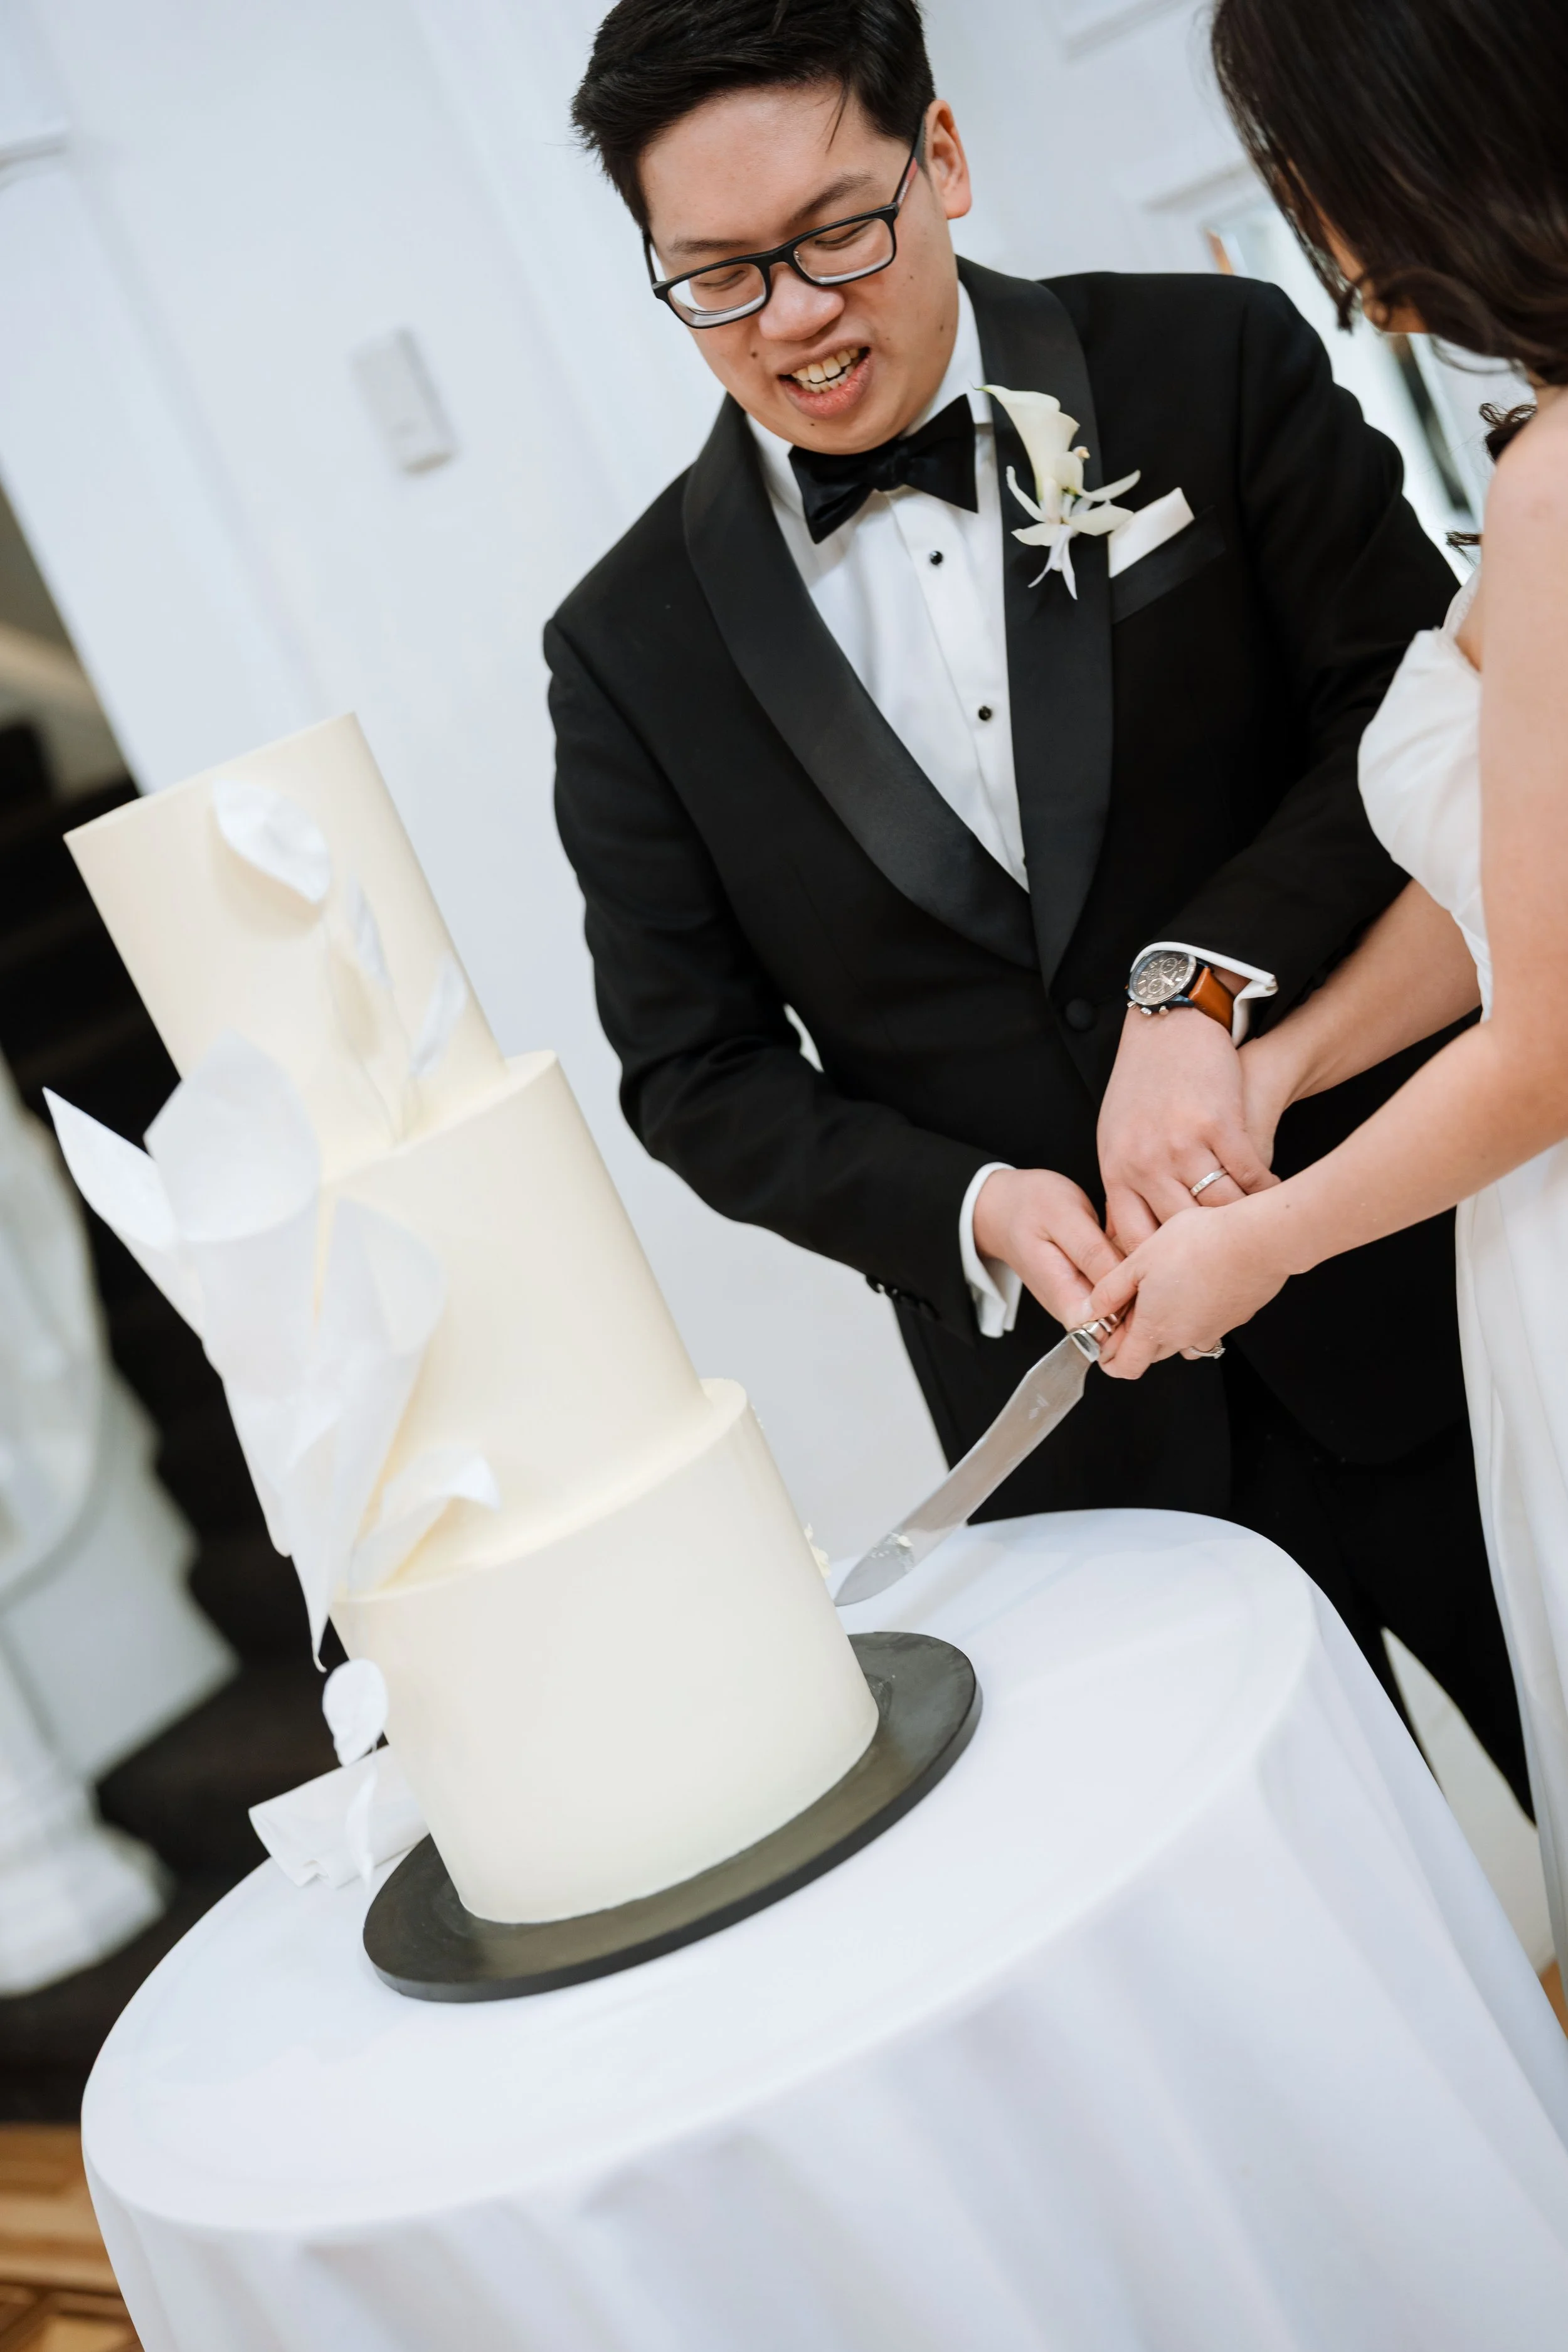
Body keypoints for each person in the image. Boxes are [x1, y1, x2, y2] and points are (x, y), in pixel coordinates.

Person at [548, 0, 1528, 1802]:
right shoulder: (623, 649)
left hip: (1422, 1281)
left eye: (836, 232)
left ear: (939, 157)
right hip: (1102, 1450)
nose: (792, 321)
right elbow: (691, 1071)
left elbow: (1419, 714)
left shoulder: (1208, 364)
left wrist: (1198, 983)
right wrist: (975, 1208)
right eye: (715, 276)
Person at [1086, 0, 1568, 1934]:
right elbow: (1515, 882)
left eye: (1296, 159)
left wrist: (1261, 1237)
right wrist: (1274, 1070)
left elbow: (1546, 1042)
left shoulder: (1549, 497)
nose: (1300, 212)